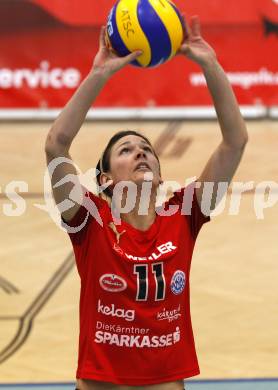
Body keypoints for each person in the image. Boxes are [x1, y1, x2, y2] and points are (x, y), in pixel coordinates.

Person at [45, 16, 248, 390]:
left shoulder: (184, 215)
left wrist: (210, 65)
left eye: (147, 150)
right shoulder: (89, 220)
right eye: (126, 150)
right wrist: (99, 74)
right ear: (105, 179)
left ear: (159, 173)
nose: (141, 153)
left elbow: (234, 142)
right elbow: (56, 144)